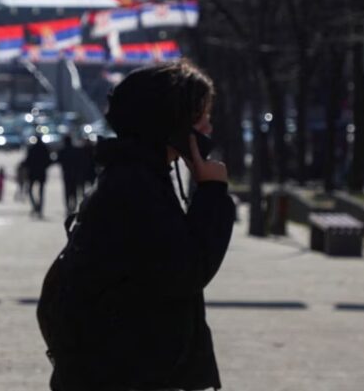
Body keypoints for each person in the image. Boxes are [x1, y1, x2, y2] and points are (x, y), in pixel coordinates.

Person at [38, 60, 235, 391]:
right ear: (173, 124)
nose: (209, 127)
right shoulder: (137, 188)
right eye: (201, 116)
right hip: (122, 375)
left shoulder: (136, 176)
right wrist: (213, 193)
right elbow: (187, 272)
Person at [24, 138, 53, 218]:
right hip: (41, 173)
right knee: (41, 192)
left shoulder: (32, 148)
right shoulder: (44, 149)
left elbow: (27, 160)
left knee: (30, 190)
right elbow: (49, 161)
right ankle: (39, 208)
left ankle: (35, 206)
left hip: (33, 173)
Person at [57, 135, 82, 215]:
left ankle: (68, 207)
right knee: (74, 191)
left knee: (67, 191)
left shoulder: (63, 151)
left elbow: (59, 160)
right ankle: (73, 206)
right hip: (75, 173)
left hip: (66, 173)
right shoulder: (76, 150)